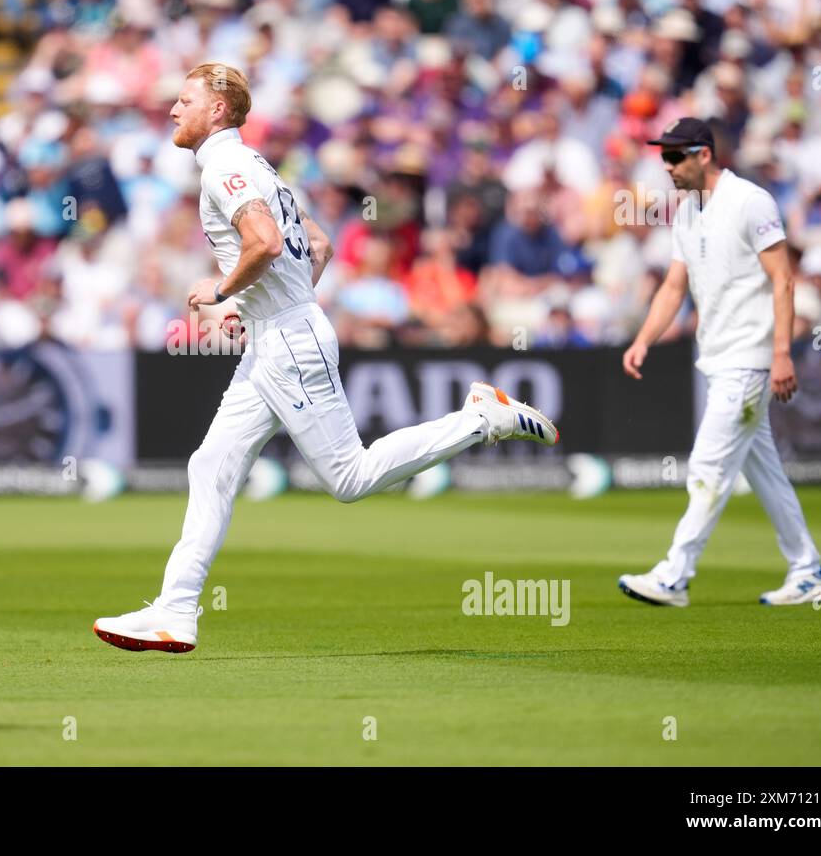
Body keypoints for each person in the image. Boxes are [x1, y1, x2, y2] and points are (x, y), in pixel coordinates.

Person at [92, 63, 559, 653]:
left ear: (217, 109)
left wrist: (223, 292)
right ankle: (177, 611)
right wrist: (276, 300)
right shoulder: (257, 164)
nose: (171, 110)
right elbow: (318, 243)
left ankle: (479, 418)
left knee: (349, 477)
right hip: (277, 334)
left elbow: (263, 241)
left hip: (287, 341)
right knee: (210, 465)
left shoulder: (225, 167)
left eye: (184, 100)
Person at [619, 117, 821, 608]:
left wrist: (780, 354)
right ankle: (809, 571)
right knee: (765, 473)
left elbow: (783, 279)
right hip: (719, 359)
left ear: (705, 155)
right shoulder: (687, 212)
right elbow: (674, 285)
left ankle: (675, 575)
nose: (667, 166)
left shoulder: (750, 201)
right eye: (663, 157)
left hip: (750, 360)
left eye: (676, 156)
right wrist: (644, 339)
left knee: (707, 467)